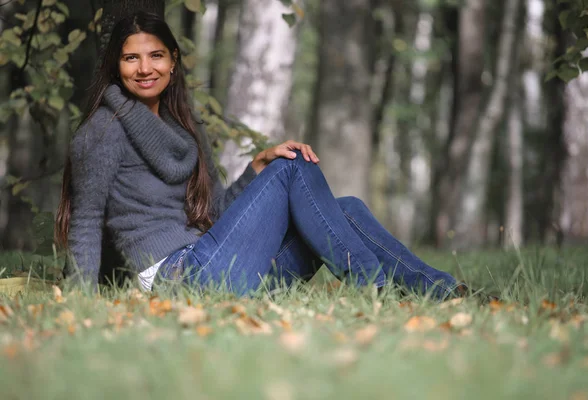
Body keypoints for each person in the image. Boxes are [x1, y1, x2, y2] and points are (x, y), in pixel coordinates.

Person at [54, 11, 464, 300]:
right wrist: (80, 300)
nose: (145, 68)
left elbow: (212, 212)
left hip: (214, 263)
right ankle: (368, 286)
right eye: (131, 58)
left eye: (156, 55)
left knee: (349, 209)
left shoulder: (184, 127)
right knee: (294, 167)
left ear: (173, 62)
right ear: (117, 65)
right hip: (179, 278)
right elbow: (86, 221)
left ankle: (442, 291)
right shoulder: (102, 131)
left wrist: (255, 170)